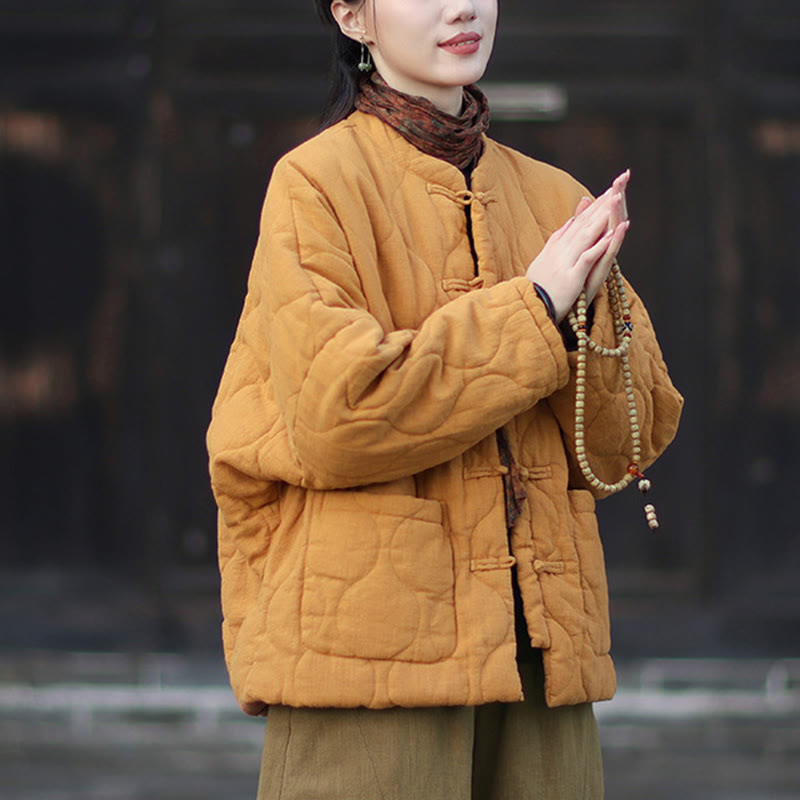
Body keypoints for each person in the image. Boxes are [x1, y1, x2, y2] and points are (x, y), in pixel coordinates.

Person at [207, 0, 683, 797]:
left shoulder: (549, 193)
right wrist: (535, 305)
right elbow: (341, 414)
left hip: (540, 657)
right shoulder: (314, 185)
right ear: (354, 18)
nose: (461, 7)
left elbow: (623, 449)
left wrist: (592, 304)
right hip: (369, 659)